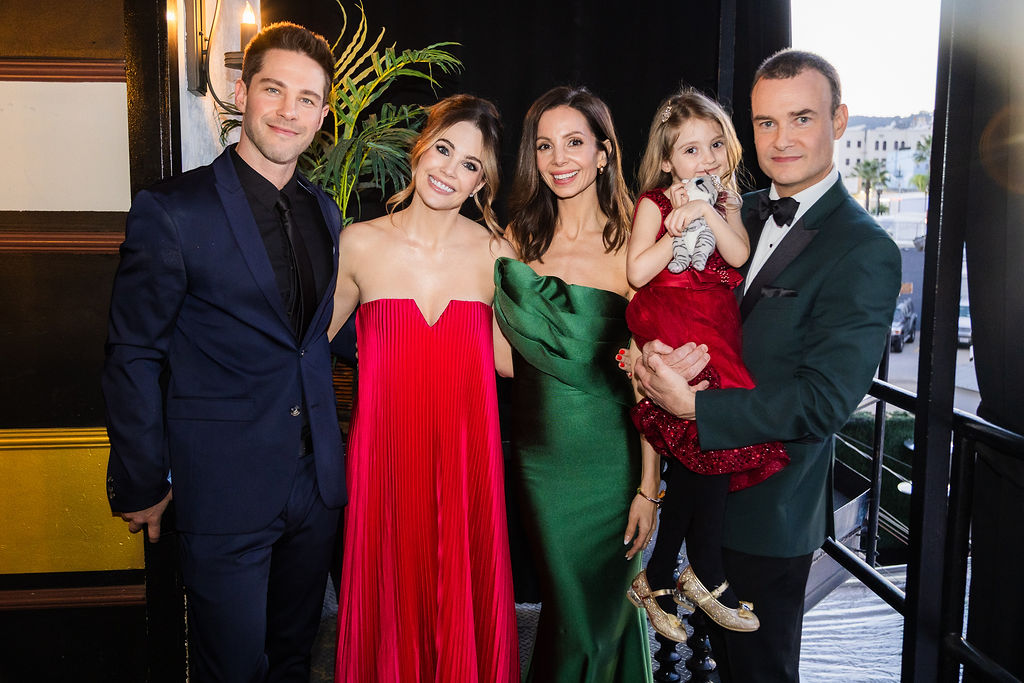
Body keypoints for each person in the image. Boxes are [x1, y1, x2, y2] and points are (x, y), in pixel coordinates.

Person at [633, 50, 902, 682]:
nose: (781, 139)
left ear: (838, 121)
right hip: (698, 493)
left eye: (801, 118)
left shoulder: (865, 249)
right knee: (708, 668)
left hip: (770, 514)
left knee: (759, 673)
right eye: (765, 122)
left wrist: (695, 406)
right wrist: (648, 358)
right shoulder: (734, 208)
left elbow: (824, 401)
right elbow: (666, 300)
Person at [103, 23, 348, 682]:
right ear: (243, 93)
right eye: (274, 90)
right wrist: (143, 480)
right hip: (223, 488)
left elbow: (319, 337)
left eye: (306, 99)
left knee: (294, 660)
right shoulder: (172, 209)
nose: (288, 111)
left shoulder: (326, 212)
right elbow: (133, 352)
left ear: (322, 114)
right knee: (232, 669)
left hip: (316, 488)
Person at [329, 94, 519, 683]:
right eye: (443, 149)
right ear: (419, 150)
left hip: (466, 463)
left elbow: (512, 364)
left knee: (464, 604)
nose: (449, 170)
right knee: (388, 605)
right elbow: (305, 351)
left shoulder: (497, 254)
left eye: (470, 164)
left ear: (481, 184)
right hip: (384, 463)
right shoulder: (359, 243)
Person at [493, 85, 655, 683]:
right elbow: (501, 361)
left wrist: (649, 488)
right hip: (542, 462)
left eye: (574, 142)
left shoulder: (636, 242)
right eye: (544, 146)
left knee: (609, 614)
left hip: (612, 461)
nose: (559, 159)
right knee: (568, 612)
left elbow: (647, 378)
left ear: (603, 153)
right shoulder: (517, 240)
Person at [623, 88, 789, 641]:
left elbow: (737, 255)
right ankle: (703, 572)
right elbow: (637, 272)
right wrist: (677, 230)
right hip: (674, 324)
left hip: (715, 329)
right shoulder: (653, 202)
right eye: (690, 150)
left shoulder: (729, 202)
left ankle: (661, 575)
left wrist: (707, 212)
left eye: (716, 145)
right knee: (709, 445)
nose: (707, 159)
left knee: (705, 452)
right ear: (668, 161)